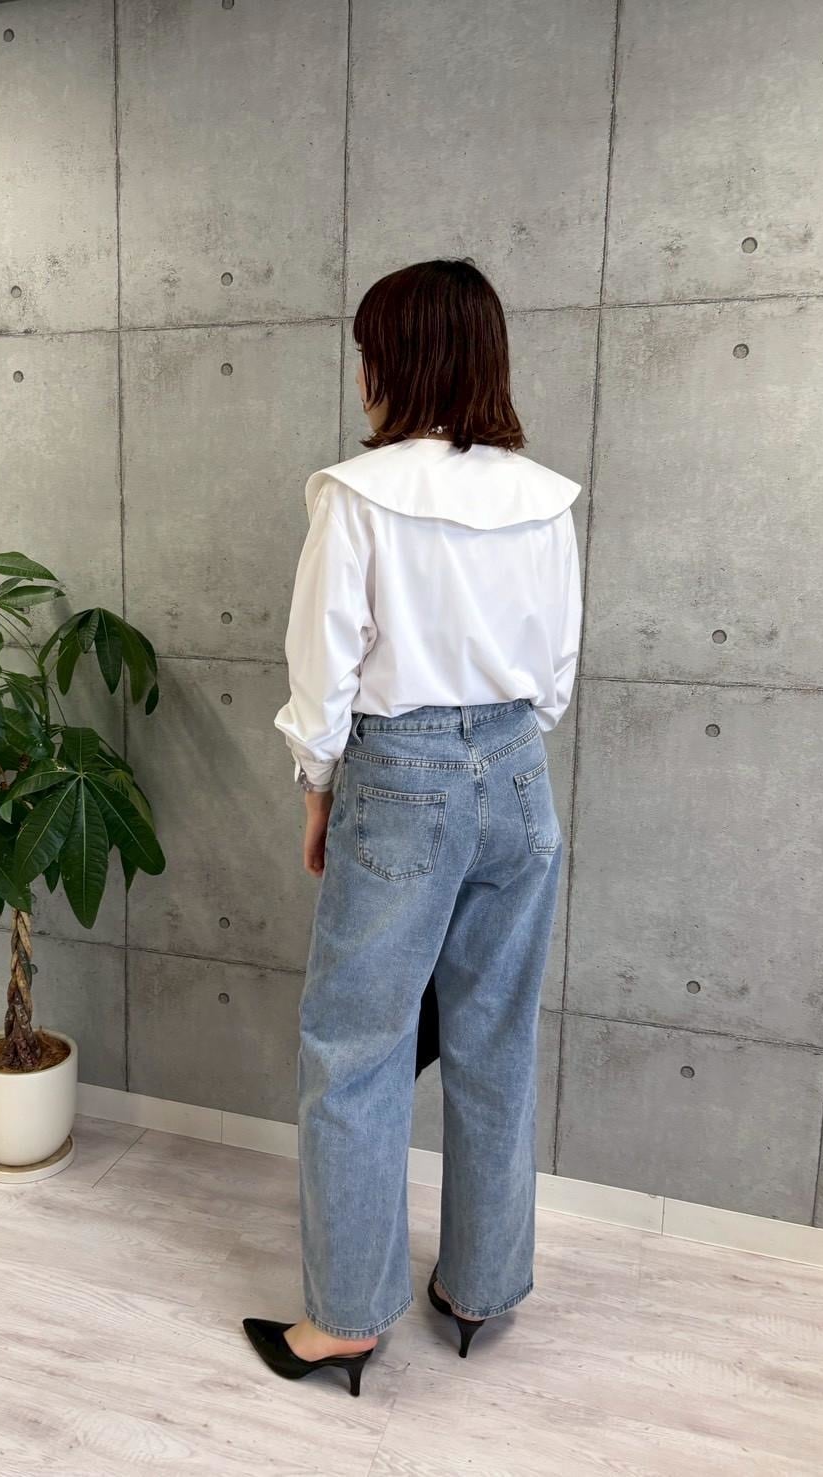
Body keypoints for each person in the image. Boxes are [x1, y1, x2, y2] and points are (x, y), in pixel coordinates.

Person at [242, 258, 582, 1396]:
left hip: (400, 779)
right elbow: (555, 675)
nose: (360, 371)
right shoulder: (543, 498)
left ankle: (344, 1318)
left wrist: (318, 788)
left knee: (357, 1047)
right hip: (519, 778)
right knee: (494, 1035)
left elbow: (323, 666)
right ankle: (480, 1286)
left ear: (395, 360)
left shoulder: (357, 494)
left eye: (367, 349)